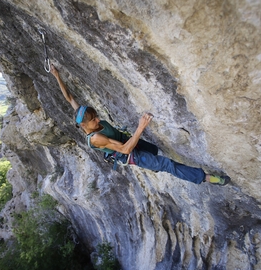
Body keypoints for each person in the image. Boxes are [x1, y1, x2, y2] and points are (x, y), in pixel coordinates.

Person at [50, 64, 230, 185]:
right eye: (93, 120)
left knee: (154, 151)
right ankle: (207, 178)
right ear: (84, 126)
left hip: (129, 141)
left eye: (96, 117)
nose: (98, 120)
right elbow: (125, 150)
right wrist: (141, 126)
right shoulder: (96, 138)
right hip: (130, 153)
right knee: (167, 165)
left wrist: (57, 76)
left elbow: (70, 98)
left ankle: (156, 163)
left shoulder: (83, 116)